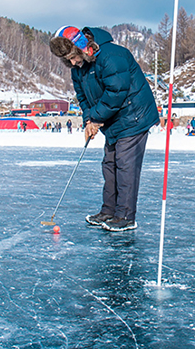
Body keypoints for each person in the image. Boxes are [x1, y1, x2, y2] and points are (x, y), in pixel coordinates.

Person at [50, 26, 159, 232]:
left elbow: (116, 92)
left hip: (134, 116)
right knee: (109, 165)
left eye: (73, 57)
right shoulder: (78, 69)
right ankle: (108, 211)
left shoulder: (112, 56)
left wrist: (96, 118)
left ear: (84, 47)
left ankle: (126, 216)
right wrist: (89, 120)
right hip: (113, 120)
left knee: (125, 165)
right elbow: (82, 97)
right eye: (68, 60)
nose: (73, 63)